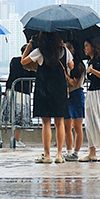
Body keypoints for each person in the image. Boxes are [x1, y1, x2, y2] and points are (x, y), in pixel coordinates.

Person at [21, 32, 71, 163]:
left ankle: (47, 154)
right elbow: (71, 66)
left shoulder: (39, 51)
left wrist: (29, 46)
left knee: (46, 123)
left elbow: (23, 62)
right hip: (59, 89)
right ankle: (59, 154)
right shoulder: (64, 50)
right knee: (60, 123)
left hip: (44, 89)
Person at [2, 44, 34, 148]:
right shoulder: (31, 65)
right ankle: (17, 139)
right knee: (19, 117)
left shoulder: (14, 61)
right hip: (23, 93)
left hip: (10, 90)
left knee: (6, 116)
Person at [64, 46, 86, 161]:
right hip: (66, 96)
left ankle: (76, 152)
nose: (67, 50)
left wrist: (66, 76)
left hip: (76, 94)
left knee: (77, 126)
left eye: (70, 47)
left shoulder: (79, 66)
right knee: (66, 126)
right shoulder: (66, 63)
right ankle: (68, 150)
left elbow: (75, 83)